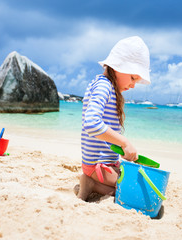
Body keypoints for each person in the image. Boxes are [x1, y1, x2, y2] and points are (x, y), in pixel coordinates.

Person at [77, 36, 151, 201]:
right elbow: (91, 123)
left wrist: (119, 149)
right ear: (117, 67)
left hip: (104, 165)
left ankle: (92, 184)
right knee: (136, 192)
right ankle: (92, 183)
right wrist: (124, 142)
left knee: (136, 183)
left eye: (136, 81)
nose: (133, 85)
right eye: (132, 78)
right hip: (98, 167)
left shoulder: (107, 86)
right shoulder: (104, 86)